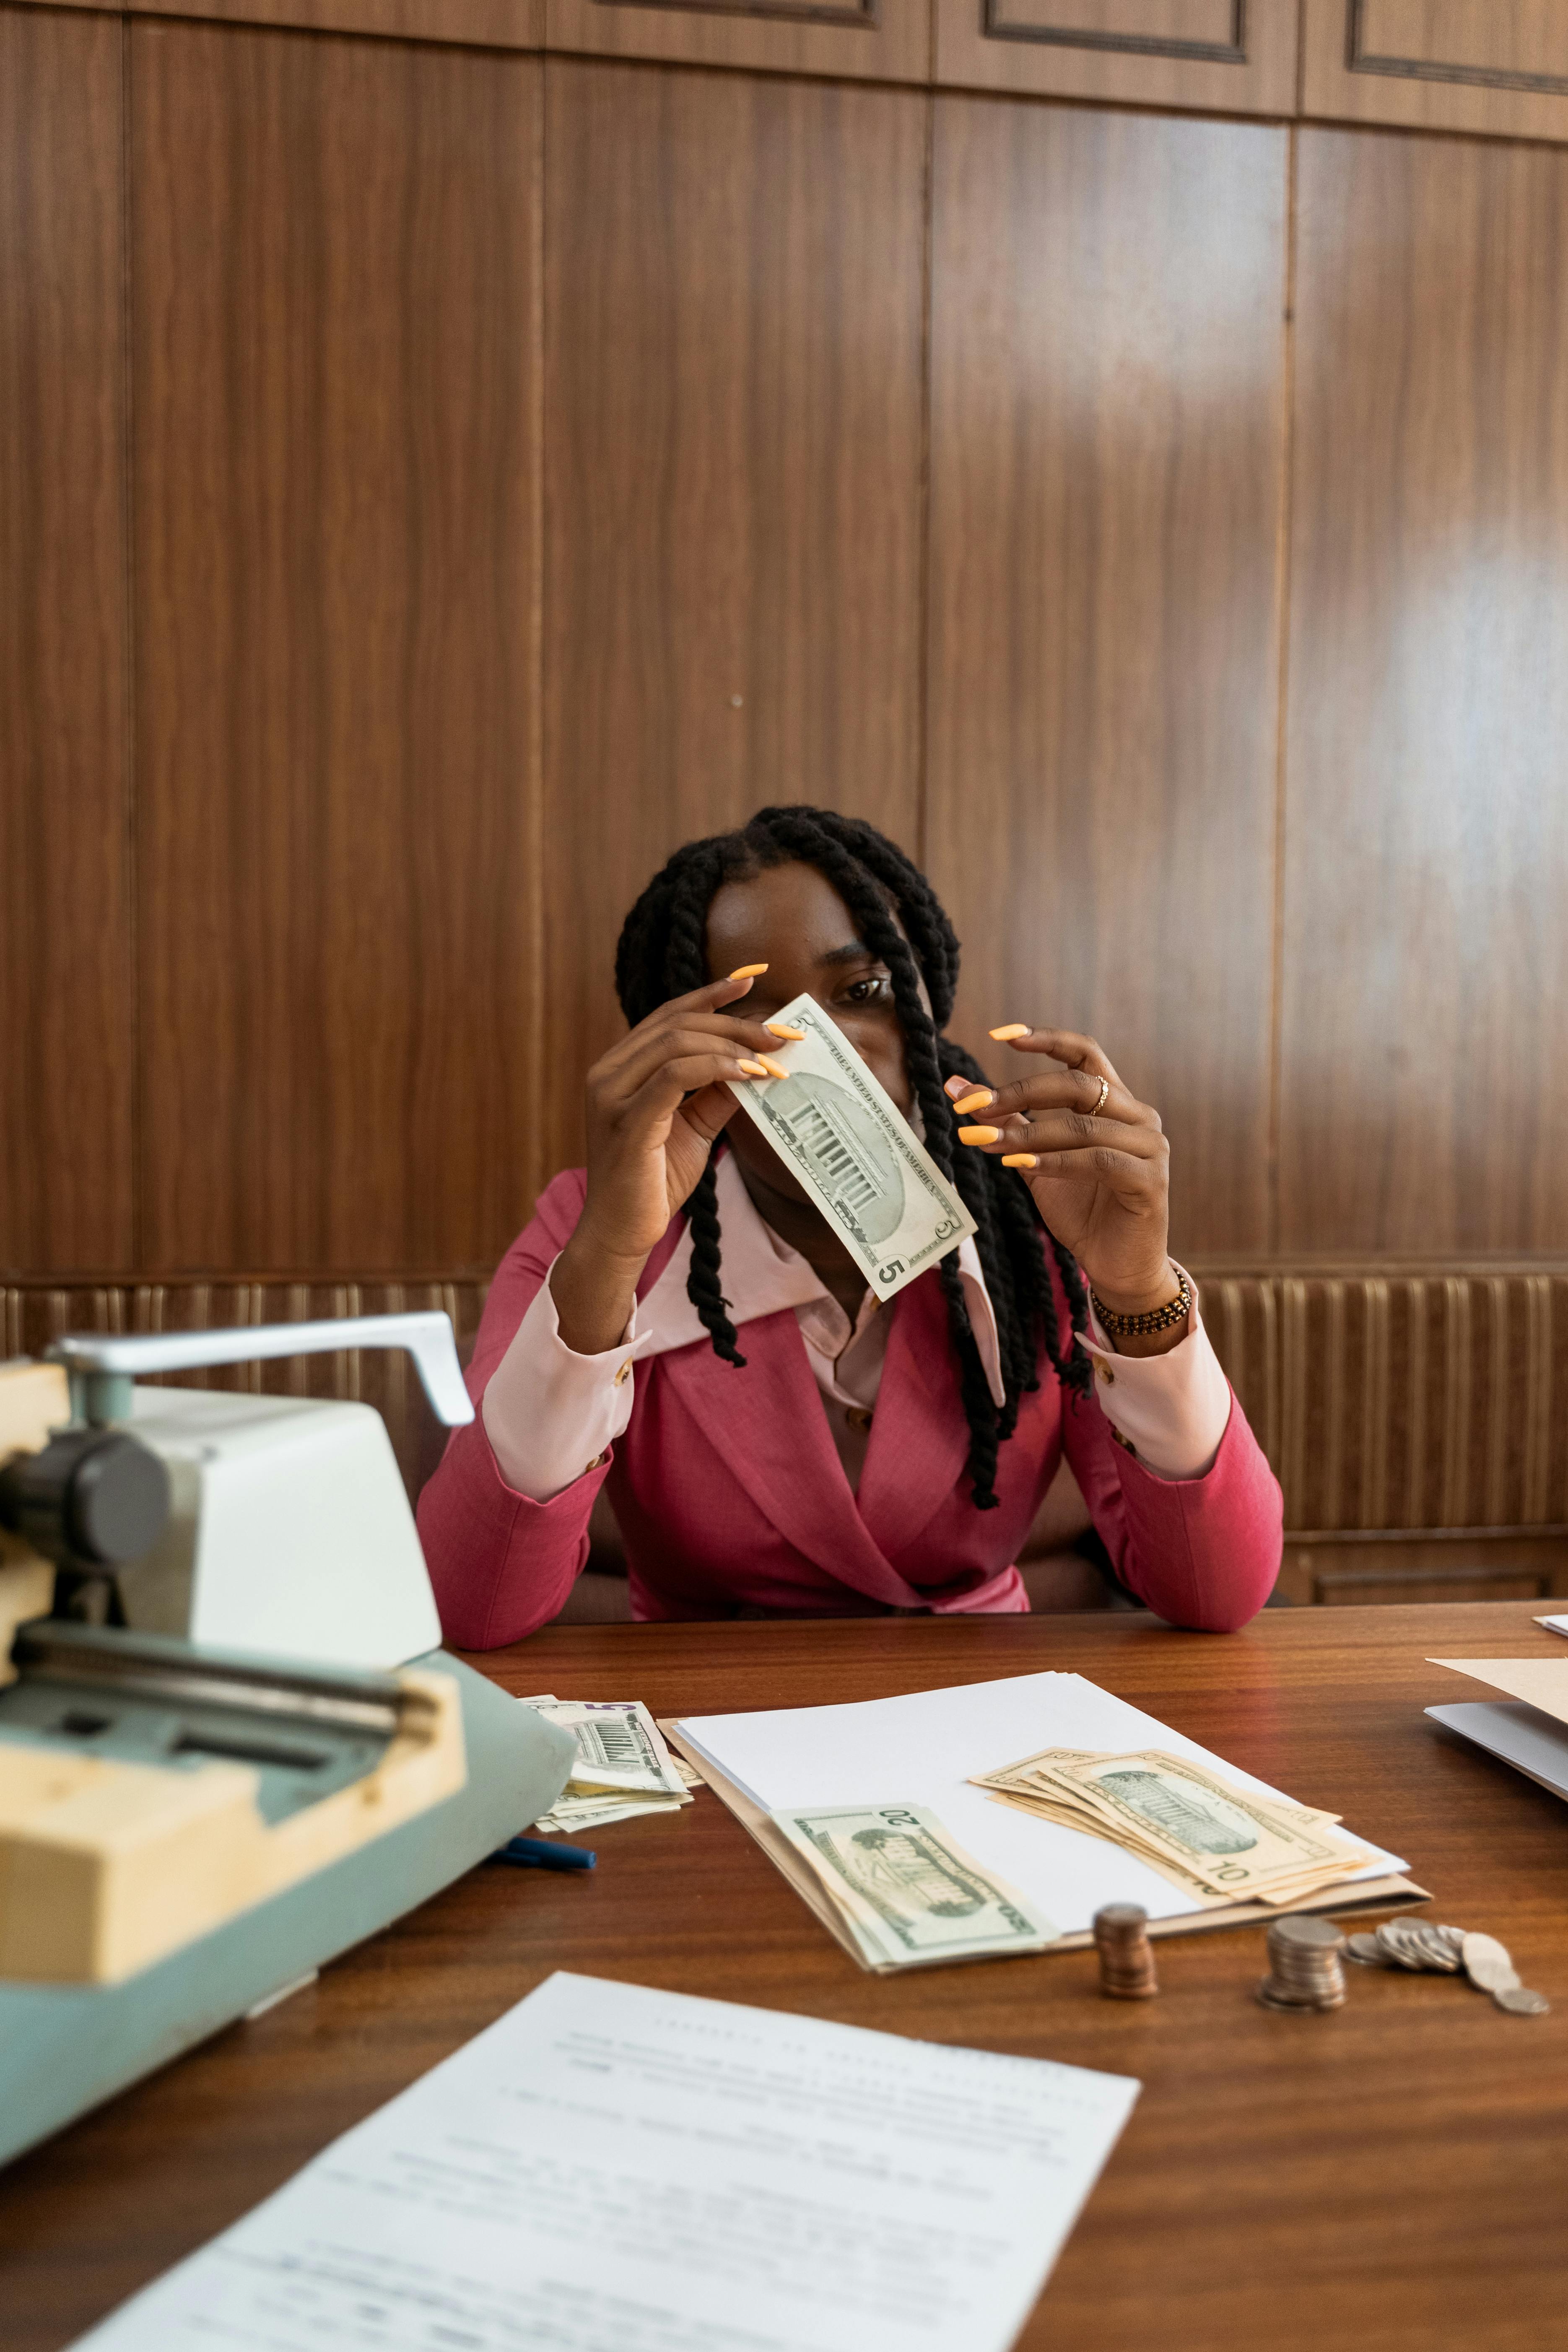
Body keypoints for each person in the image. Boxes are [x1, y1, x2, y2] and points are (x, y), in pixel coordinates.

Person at [419, 807, 1282, 1643]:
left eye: (863, 992)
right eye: (755, 1020)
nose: (822, 1048)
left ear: (920, 1015)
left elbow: (1216, 1595)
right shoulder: (596, 1226)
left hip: (979, 1708)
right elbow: (474, 1604)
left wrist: (1137, 1288)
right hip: (709, 1712)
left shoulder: (1038, 1208)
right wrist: (609, 1255)